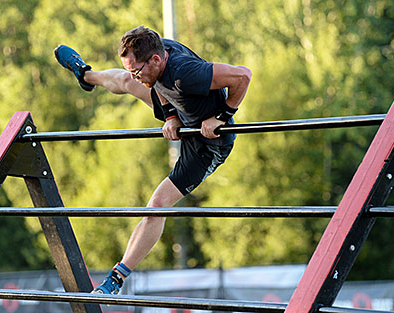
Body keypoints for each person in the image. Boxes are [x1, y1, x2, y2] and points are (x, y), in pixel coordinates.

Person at [54, 25, 252, 295]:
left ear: (156, 59)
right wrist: (170, 115)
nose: (137, 75)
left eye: (138, 70)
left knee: (157, 205)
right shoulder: (156, 56)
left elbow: (243, 76)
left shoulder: (186, 73)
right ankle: (86, 75)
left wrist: (222, 117)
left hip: (208, 145)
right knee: (125, 83)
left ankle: (116, 279)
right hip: (182, 112)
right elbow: (156, 81)